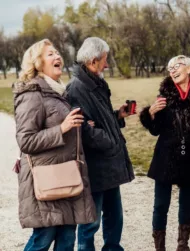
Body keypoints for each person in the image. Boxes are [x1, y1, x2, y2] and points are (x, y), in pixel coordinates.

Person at [12, 39, 96, 251]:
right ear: (38, 63)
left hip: (67, 177)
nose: (57, 56)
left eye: (57, 52)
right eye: (50, 54)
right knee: (42, 239)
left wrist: (79, 126)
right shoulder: (31, 94)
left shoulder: (59, 93)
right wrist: (63, 128)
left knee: (67, 239)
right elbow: (25, 140)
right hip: (47, 179)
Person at [66, 37, 135, 251]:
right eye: (104, 60)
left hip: (109, 164)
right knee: (90, 221)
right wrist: (109, 140)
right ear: (93, 60)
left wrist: (118, 116)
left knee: (115, 215)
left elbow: (99, 122)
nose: (107, 65)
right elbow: (83, 129)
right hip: (94, 167)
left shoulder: (96, 83)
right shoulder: (76, 88)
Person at [139, 55, 190, 251]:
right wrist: (151, 113)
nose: (172, 70)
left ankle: (182, 244)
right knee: (161, 204)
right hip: (166, 156)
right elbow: (155, 130)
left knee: (187, 202)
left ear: (189, 69)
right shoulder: (164, 95)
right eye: (169, 67)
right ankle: (159, 247)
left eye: (177, 66)